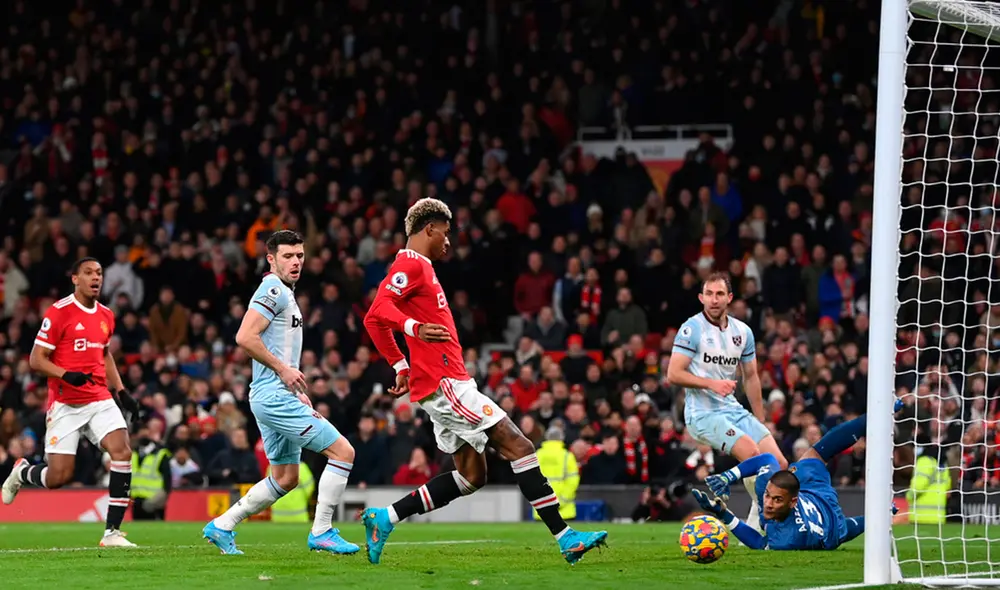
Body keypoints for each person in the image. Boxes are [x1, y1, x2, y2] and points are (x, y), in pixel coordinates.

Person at [362, 198, 608, 565]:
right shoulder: (410, 265)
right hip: (447, 384)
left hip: (440, 385)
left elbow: (373, 322)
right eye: (445, 233)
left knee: (472, 476)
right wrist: (412, 330)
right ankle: (565, 536)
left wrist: (400, 365)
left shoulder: (422, 269)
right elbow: (377, 309)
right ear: (429, 228)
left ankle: (386, 517)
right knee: (521, 446)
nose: (448, 241)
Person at [202, 230, 359, 556]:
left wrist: (289, 384)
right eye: (288, 256)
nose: (296, 261)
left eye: (299, 255)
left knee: (286, 477)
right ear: (271, 259)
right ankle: (322, 531)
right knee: (343, 453)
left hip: (270, 395)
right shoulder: (273, 289)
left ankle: (222, 525)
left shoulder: (284, 292)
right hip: (274, 396)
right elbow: (245, 337)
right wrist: (284, 371)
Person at [1, 257, 140, 547]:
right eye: (88, 273)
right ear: (75, 279)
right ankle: (22, 472)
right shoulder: (59, 312)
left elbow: (104, 354)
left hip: (99, 397)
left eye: (99, 273)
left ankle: (112, 533)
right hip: (66, 403)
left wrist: (122, 390)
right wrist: (66, 375)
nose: (96, 278)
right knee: (58, 477)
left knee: (122, 451)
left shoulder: (106, 315)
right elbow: (36, 359)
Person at [692, 399, 905, 550]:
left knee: (844, 531)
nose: (768, 503)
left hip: (829, 526)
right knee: (818, 451)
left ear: (793, 502)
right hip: (818, 493)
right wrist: (727, 476)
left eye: (776, 500)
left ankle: (878, 414)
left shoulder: (789, 540)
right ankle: (877, 414)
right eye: (768, 496)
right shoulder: (769, 487)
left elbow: (759, 543)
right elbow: (768, 460)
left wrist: (724, 515)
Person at [666, 272, 788, 533]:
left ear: (729, 298)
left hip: (732, 409)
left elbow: (752, 376)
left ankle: (760, 520)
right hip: (702, 414)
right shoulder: (692, 328)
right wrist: (712, 384)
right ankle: (764, 526)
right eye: (709, 294)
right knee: (754, 455)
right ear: (701, 298)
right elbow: (673, 374)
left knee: (779, 464)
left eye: (719, 294)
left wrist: (760, 420)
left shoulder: (742, 332)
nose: (714, 299)